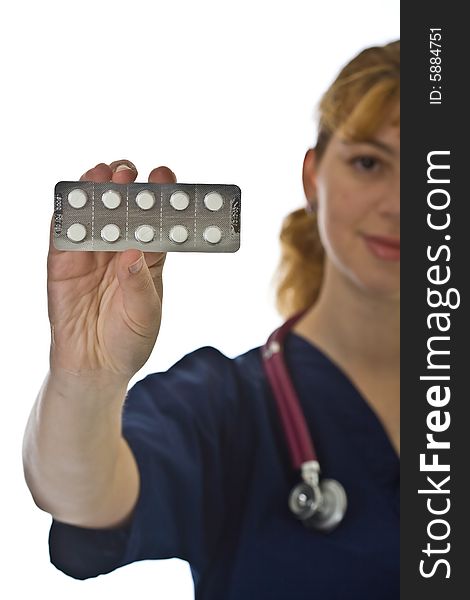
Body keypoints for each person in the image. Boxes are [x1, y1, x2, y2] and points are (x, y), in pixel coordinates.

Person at [22, 39, 400, 599]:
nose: (402, 202)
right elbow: (83, 494)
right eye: (370, 163)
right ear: (313, 177)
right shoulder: (227, 406)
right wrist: (87, 378)